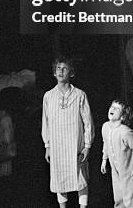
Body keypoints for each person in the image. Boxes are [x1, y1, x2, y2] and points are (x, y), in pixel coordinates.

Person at [42, 57, 94, 207]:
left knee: (80, 178)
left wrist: (87, 145)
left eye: (64, 69)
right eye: (58, 68)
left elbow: (88, 121)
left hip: (75, 144)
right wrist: (48, 146)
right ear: (54, 72)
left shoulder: (79, 95)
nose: (61, 71)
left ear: (71, 73)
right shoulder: (48, 96)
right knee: (59, 178)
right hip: (57, 145)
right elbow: (45, 123)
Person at [101, 99, 133, 208]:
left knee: (130, 200)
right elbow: (106, 143)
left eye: (117, 109)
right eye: (112, 106)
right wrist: (104, 160)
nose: (112, 109)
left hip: (129, 172)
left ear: (122, 116)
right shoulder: (105, 127)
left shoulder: (125, 131)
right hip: (115, 171)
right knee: (118, 199)